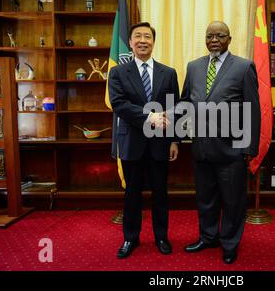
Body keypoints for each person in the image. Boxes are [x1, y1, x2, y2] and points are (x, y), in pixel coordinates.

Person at [180, 21, 261, 264]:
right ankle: (208, 237)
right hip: (201, 148)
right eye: (209, 35)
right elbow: (185, 102)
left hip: (231, 150)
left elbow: (252, 111)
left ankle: (229, 243)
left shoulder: (244, 67)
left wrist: (248, 148)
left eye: (220, 35)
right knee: (205, 198)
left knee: (233, 202)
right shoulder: (193, 67)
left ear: (230, 38)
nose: (214, 39)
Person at [109, 22, 180, 259]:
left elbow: (174, 109)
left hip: (160, 143)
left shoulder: (168, 73)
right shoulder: (118, 72)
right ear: (130, 43)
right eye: (137, 36)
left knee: (161, 193)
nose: (142, 40)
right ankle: (131, 238)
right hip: (132, 143)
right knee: (132, 194)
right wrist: (149, 116)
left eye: (147, 36)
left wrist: (174, 141)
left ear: (153, 42)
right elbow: (119, 105)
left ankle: (161, 236)